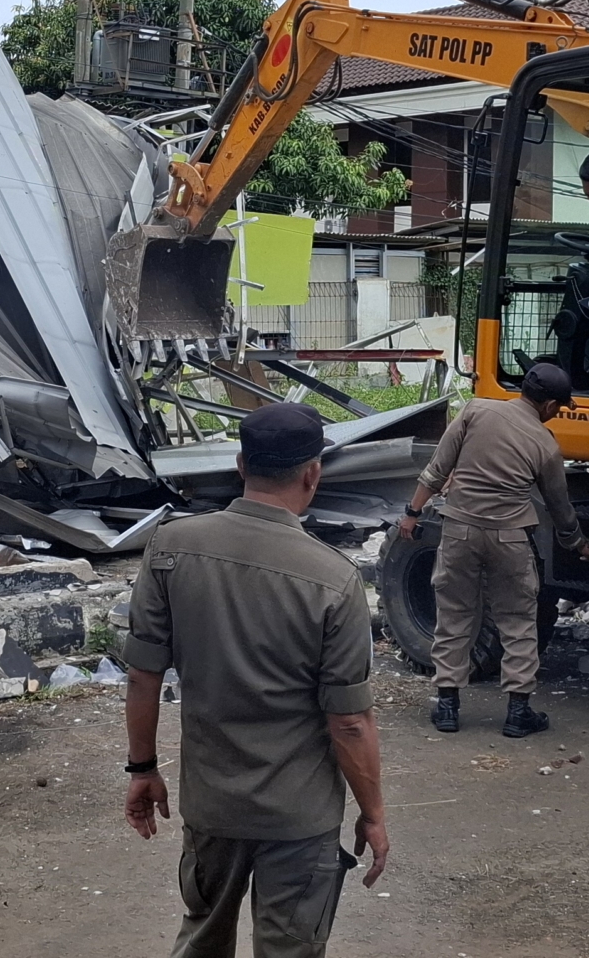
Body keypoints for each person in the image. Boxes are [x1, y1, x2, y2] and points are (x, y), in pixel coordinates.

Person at [122, 402, 388, 958]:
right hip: (299, 816)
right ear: (312, 473)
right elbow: (349, 722)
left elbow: (143, 676)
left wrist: (142, 769)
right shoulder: (334, 580)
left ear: (242, 464)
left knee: (201, 938)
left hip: (212, 805)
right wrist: (373, 812)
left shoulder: (170, 549)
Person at [396, 363, 589, 738]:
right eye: (560, 407)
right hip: (509, 537)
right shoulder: (545, 444)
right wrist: (580, 544)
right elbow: (559, 507)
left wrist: (412, 513)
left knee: (454, 614)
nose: (558, 413)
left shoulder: (476, 410)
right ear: (549, 404)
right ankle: (518, 713)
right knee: (518, 621)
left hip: (459, 530)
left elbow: (437, 469)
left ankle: (447, 708)